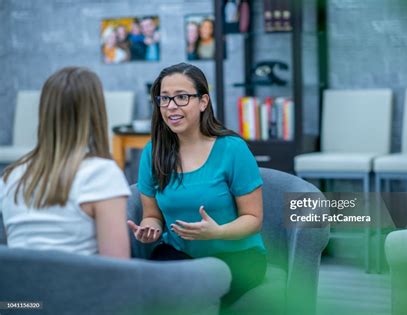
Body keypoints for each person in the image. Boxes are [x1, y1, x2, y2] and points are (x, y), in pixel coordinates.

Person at [128, 63, 267, 307]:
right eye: (165, 98)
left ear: (203, 102)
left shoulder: (233, 149)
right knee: (147, 293)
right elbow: (152, 215)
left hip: (237, 257)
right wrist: (150, 228)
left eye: (182, 97)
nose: (171, 106)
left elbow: (253, 218)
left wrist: (218, 232)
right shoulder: (153, 153)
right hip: (180, 255)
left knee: (193, 296)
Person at [0, 67, 131, 259]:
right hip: (81, 288)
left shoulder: (11, 177)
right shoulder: (102, 174)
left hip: (19, 289)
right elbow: (118, 269)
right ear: (96, 113)